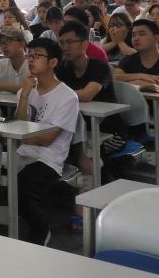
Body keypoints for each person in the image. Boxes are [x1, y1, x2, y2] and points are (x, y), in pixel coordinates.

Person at [16, 38, 79, 245]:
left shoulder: (67, 97)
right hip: (22, 153)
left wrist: (22, 136)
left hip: (49, 159)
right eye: (29, 55)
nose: (31, 60)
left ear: (53, 62)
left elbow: (46, 140)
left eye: (37, 56)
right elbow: (19, 125)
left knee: (22, 187)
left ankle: (40, 229)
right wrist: (24, 95)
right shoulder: (26, 89)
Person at [56, 22, 125, 191]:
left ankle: (100, 190)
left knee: (86, 150)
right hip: (79, 129)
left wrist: (61, 94)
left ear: (84, 44)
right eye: (62, 42)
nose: (65, 47)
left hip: (110, 132)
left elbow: (87, 95)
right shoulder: (63, 68)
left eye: (70, 42)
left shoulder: (100, 68)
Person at [113, 18, 159, 182]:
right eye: (133, 35)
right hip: (140, 108)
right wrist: (142, 77)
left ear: (157, 38)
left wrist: (134, 81)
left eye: (142, 34)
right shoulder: (129, 59)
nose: (136, 38)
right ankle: (119, 161)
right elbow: (115, 77)